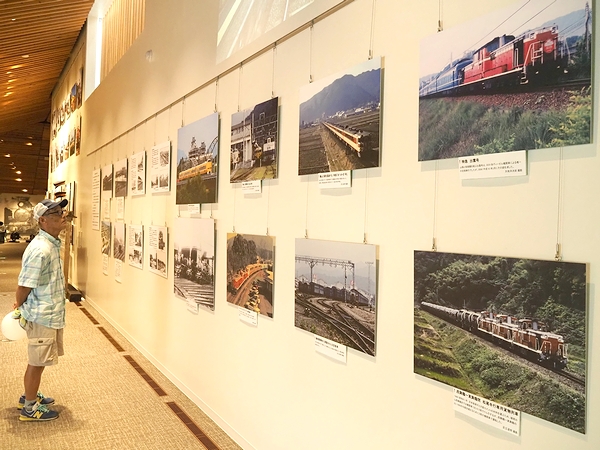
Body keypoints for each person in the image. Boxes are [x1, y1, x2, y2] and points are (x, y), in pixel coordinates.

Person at [13, 198, 68, 421]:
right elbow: (24, 284)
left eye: (62, 212)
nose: (62, 216)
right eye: (56, 214)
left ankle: (30, 395)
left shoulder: (52, 244)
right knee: (36, 362)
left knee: (40, 359)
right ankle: (29, 407)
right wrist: (19, 304)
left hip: (49, 312)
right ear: (42, 220)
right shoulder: (41, 249)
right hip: (41, 315)